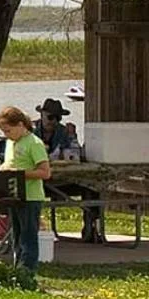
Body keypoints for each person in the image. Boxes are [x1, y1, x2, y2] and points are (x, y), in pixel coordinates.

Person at [35, 98, 105, 243]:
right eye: (50, 117)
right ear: (42, 115)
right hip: (39, 181)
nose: (53, 121)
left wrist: (73, 136)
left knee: (91, 186)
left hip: (63, 180)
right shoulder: (31, 133)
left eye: (58, 118)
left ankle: (92, 228)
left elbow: (74, 154)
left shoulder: (63, 131)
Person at [0, 106, 50, 271]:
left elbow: (45, 172)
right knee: (16, 236)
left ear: (20, 125)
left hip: (31, 196)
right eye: (4, 132)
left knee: (28, 237)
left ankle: (27, 270)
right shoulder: (11, 143)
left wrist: (20, 174)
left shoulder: (34, 143)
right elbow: (9, 163)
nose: (6, 135)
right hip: (15, 195)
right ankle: (17, 267)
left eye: (8, 130)